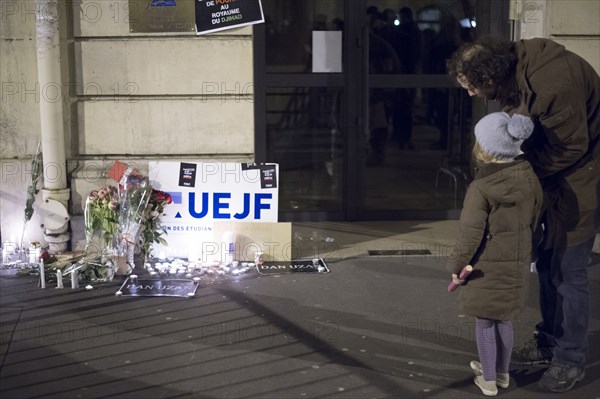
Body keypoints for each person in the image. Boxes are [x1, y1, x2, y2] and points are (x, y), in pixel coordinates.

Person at [446, 35, 600, 393]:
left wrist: (523, 174)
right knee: (548, 264)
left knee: (568, 270)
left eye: (470, 87)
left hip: (582, 180)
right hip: (554, 176)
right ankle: (549, 341)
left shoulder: (553, 84)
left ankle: (569, 358)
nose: (470, 95)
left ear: (489, 79)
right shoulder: (517, 69)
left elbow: (572, 146)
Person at [447, 112, 542, 397]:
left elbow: (470, 233)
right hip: (516, 261)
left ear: (485, 147)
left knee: (485, 321)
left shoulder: (481, 187)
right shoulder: (530, 177)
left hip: (485, 264)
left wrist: (456, 264)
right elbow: (536, 218)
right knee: (504, 319)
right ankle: (501, 373)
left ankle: (487, 380)